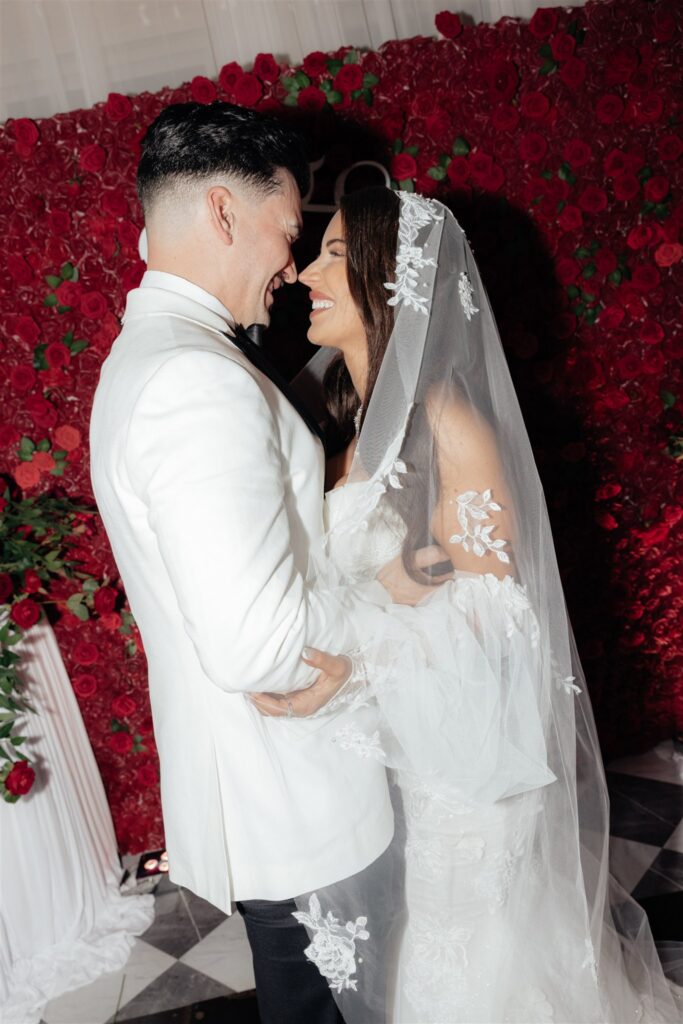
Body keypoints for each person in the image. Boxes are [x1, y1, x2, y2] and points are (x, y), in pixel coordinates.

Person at [253, 187, 683, 1022]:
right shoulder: (348, 423)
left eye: (335, 254)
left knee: (462, 973)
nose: (306, 272)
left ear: (392, 280)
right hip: (400, 760)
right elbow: (391, 576)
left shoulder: (451, 426)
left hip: (462, 780)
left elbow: (498, 626)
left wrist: (358, 654)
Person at [89, 104, 443, 1024]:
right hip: (296, 801)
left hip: (272, 796)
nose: (291, 265)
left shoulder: (150, 358)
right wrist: (388, 630)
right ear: (221, 212)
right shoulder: (193, 384)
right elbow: (257, 644)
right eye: (289, 232)